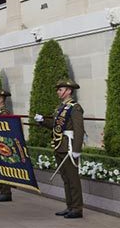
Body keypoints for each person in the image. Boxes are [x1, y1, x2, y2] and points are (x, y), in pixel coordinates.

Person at [34, 78, 84, 219]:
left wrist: (76, 149)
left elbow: (79, 129)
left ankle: (77, 208)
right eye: (58, 89)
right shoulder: (60, 108)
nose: (58, 92)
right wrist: (43, 121)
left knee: (73, 179)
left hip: (68, 146)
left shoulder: (75, 107)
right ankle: (70, 206)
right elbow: (56, 126)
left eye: (60, 89)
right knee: (66, 179)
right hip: (59, 145)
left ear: (68, 91)